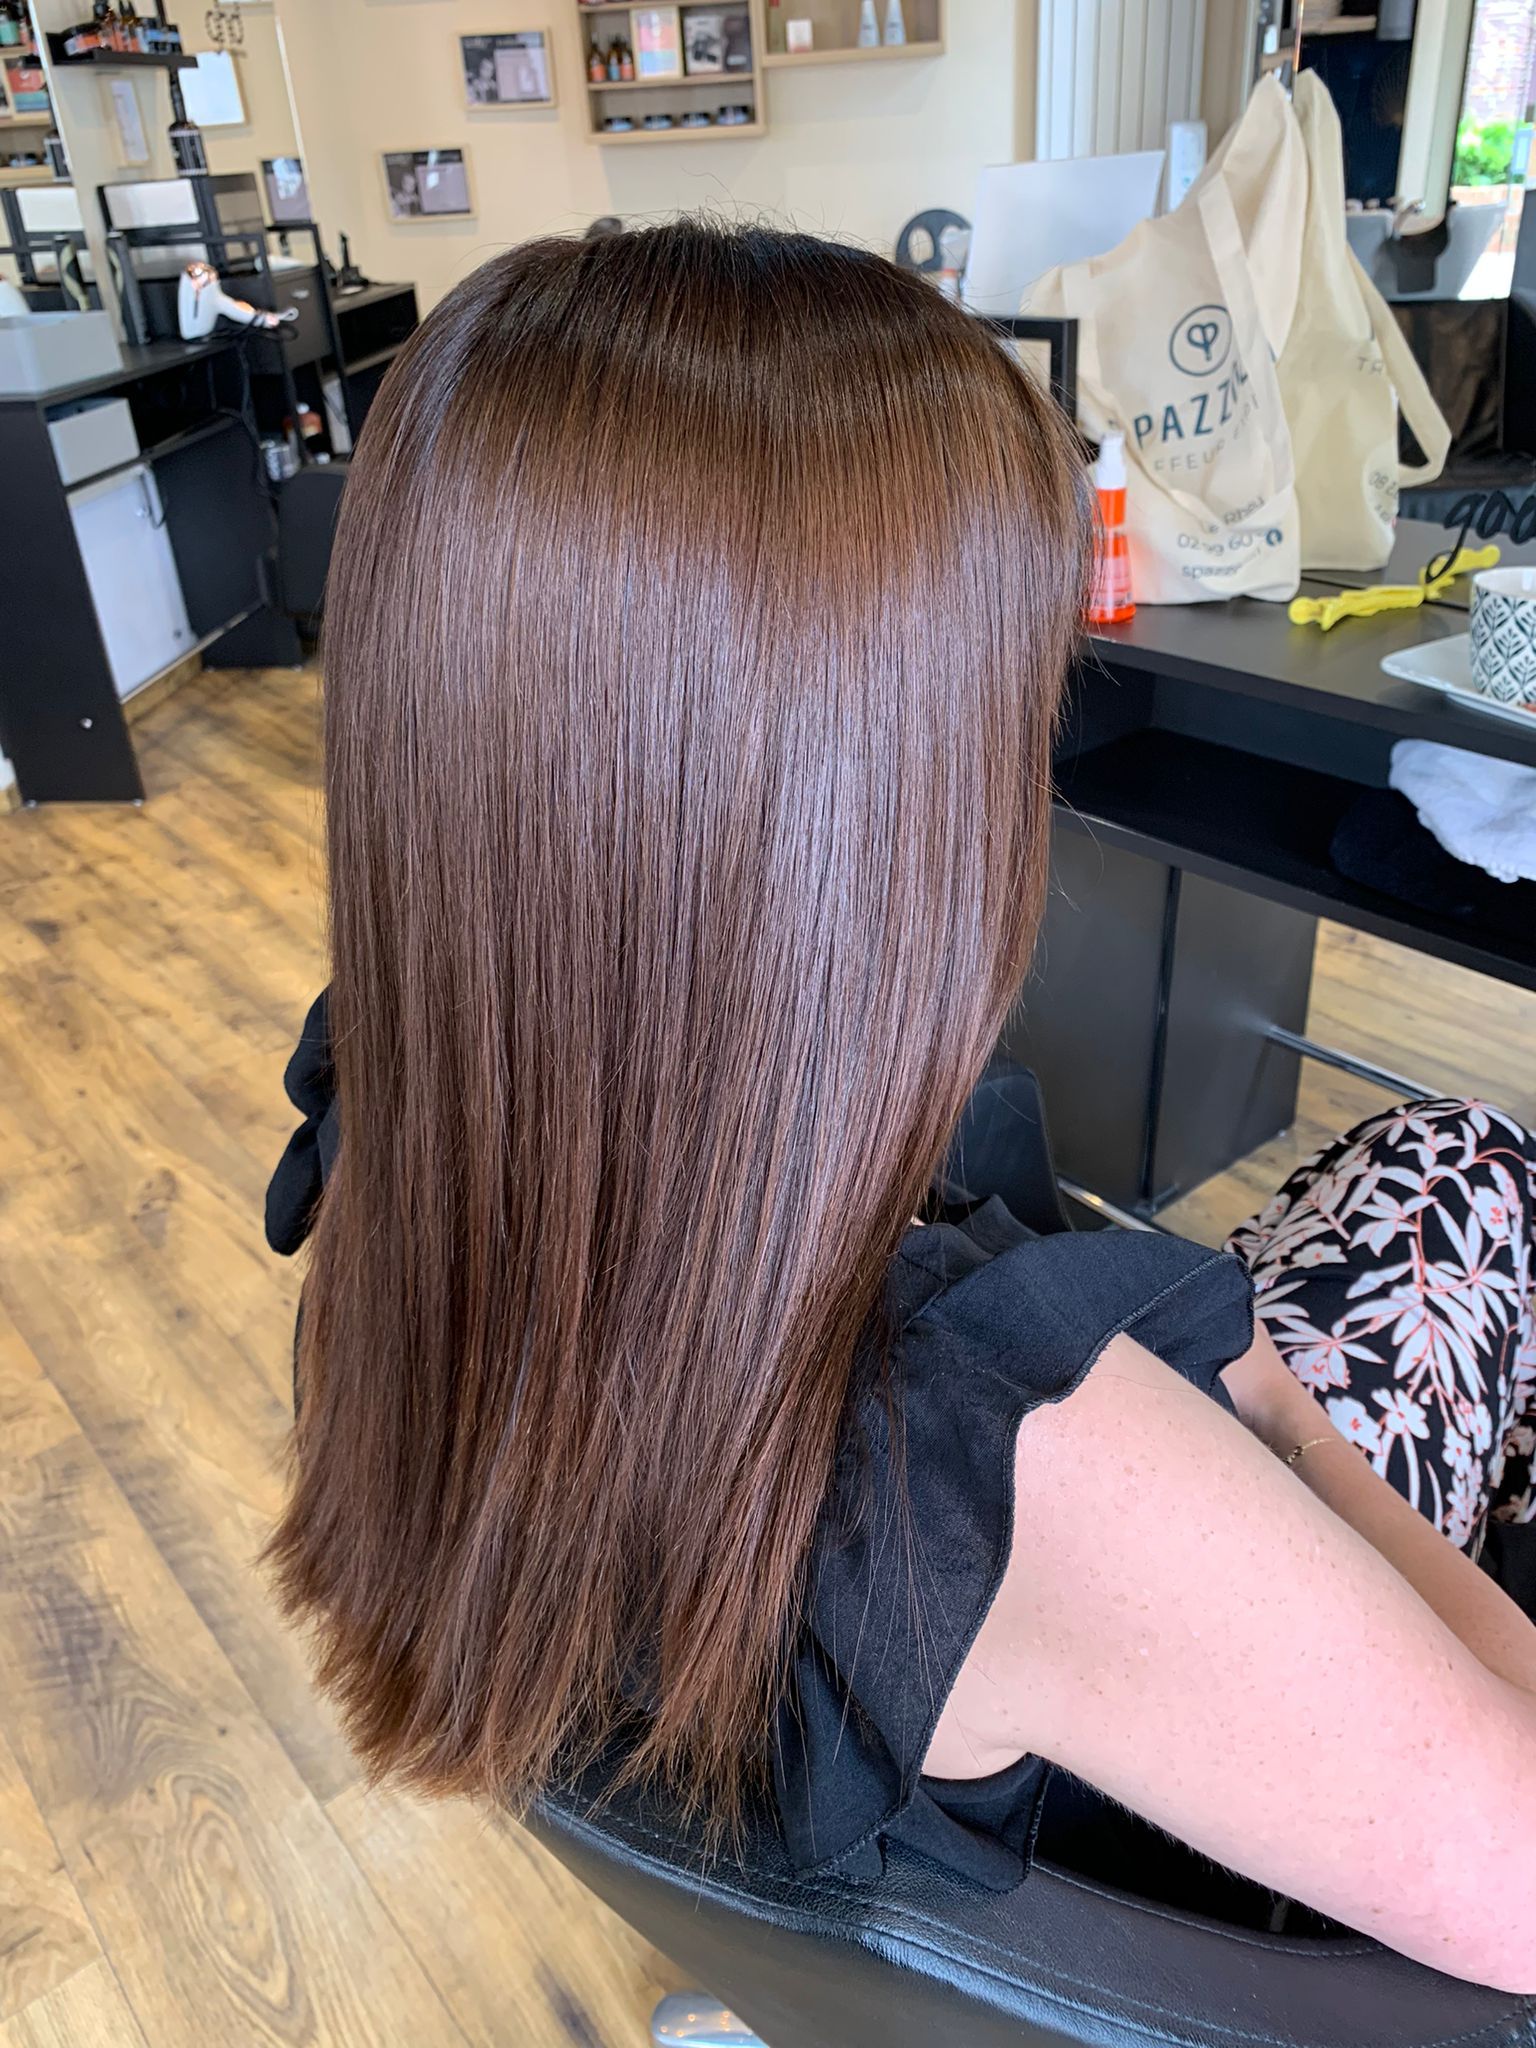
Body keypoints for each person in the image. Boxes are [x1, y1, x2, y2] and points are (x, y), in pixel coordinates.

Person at [265, 221, 1536, 1993]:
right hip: (1206, 1771)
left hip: (947, 1686)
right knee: (1474, 1176)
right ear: (885, 810)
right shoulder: (1019, 1464)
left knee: (1437, 1171)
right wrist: (1270, 1415)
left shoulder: (407, 1138)